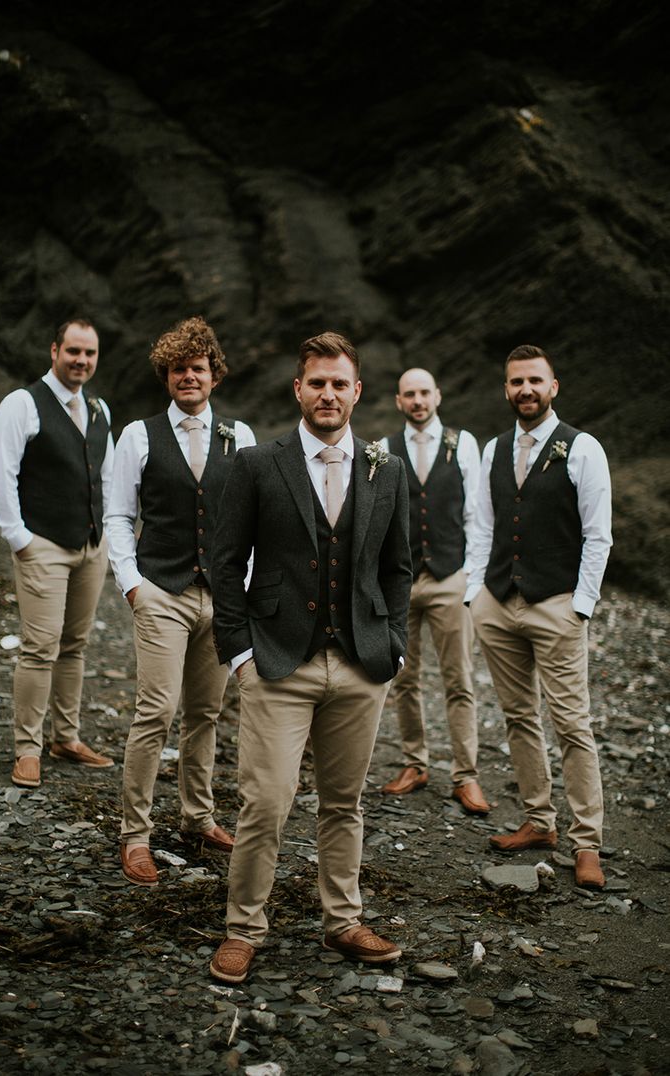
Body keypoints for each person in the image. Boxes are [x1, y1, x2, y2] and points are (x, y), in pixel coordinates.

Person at [209, 331, 412, 983]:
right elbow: (223, 563)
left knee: (344, 801)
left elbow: (400, 568)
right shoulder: (256, 464)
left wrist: (396, 646)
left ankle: (343, 919)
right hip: (274, 660)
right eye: (316, 382)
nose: (328, 393)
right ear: (298, 389)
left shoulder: (387, 470)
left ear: (357, 392)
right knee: (265, 801)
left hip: (360, 663)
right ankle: (243, 928)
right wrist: (239, 651)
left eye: (339, 383)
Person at [105, 316, 256, 887]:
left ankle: (199, 817)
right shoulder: (138, 435)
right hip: (162, 592)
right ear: (165, 376)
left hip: (220, 600)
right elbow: (119, 515)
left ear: (214, 375)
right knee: (156, 711)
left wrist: (243, 589)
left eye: (198, 368)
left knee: (206, 714)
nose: (187, 377)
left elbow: (252, 523)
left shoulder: (239, 438)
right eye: (177, 369)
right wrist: (133, 585)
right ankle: (135, 834)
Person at [465, 344, 612, 889]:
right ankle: (539, 820)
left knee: (572, 724)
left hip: (556, 604)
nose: (525, 389)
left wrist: (581, 606)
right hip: (499, 603)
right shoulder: (494, 449)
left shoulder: (583, 448)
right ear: (506, 390)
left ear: (554, 386)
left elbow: (599, 535)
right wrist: (476, 593)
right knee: (519, 717)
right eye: (515, 382)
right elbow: (482, 524)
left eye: (535, 380)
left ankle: (587, 842)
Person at [0, 317, 115, 789]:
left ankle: (67, 736)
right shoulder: (22, 404)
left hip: (90, 545)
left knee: (75, 645)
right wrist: (18, 538)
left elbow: (109, 477)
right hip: (42, 543)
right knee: (40, 647)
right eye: (73, 351)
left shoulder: (100, 410)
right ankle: (27, 747)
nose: (81, 361)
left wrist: (108, 538)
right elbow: (2, 474)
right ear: (54, 350)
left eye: (90, 353)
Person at [379, 368, 490, 814]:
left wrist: (470, 577)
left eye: (425, 393)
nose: (418, 401)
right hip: (403, 582)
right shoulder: (385, 449)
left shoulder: (462, 444)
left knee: (458, 678)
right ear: (399, 401)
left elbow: (476, 516)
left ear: (438, 396)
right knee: (404, 677)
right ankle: (414, 762)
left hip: (449, 577)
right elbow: (382, 519)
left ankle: (466, 775)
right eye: (410, 394)